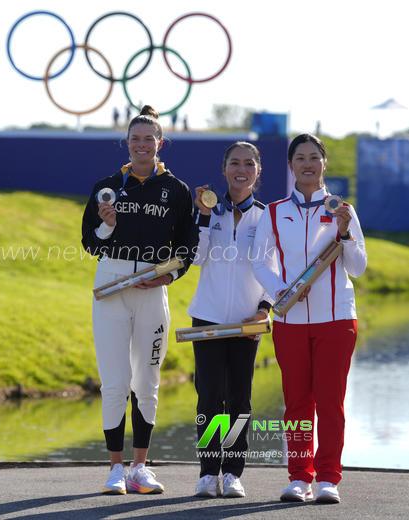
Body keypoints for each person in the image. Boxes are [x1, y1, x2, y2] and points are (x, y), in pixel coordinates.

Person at [81, 105, 197, 495]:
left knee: (146, 381)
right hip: (112, 283)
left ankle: (140, 466)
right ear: (126, 143)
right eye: (136, 139)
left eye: (149, 139)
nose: (142, 145)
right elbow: (89, 242)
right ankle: (115, 468)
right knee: (115, 382)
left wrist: (169, 273)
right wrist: (107, 224)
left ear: (160, 143)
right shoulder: (107, 185)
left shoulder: (177, 190)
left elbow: (188, 245)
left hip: (152, 287)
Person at [251, 134, 367, 504]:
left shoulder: (342, 209)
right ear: (291, 165)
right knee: (297, 402)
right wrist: (282, 290)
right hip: (290, 323)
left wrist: (346, 232)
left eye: (314, 157)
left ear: (324, 163)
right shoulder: (274, 211)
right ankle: (300, 477)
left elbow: (359, 267)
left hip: (336, 319)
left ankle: (329, 478)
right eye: (300, 157)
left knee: (330, 401)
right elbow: (259, 261)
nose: (307, 163)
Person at [188, 142, 272, 498]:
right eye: (234, 163)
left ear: (258, 171)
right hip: (207, 317)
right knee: (209, 398)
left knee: (239, 399)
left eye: (248, 164)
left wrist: (266, 308)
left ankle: (233, 472)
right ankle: (208, 473)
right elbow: (195, 258)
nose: (241, 169)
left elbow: (274, 269)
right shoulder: (207, 210)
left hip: (246, 322)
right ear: (224, 169)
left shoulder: (267, 217)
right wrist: (204, 217)